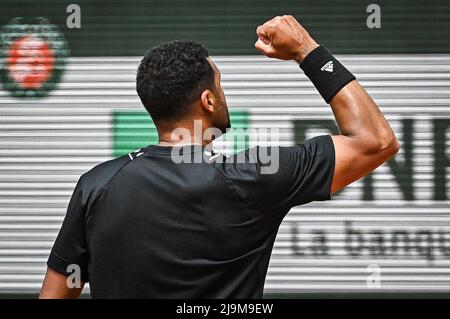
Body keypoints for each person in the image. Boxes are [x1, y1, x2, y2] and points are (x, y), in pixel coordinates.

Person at [39, 15, 399, 298]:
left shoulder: (96, 186)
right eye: (220, 84)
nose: (224, 95)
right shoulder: (252, 177)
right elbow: (376, 141)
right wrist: (307, 49)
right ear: (208, 101)